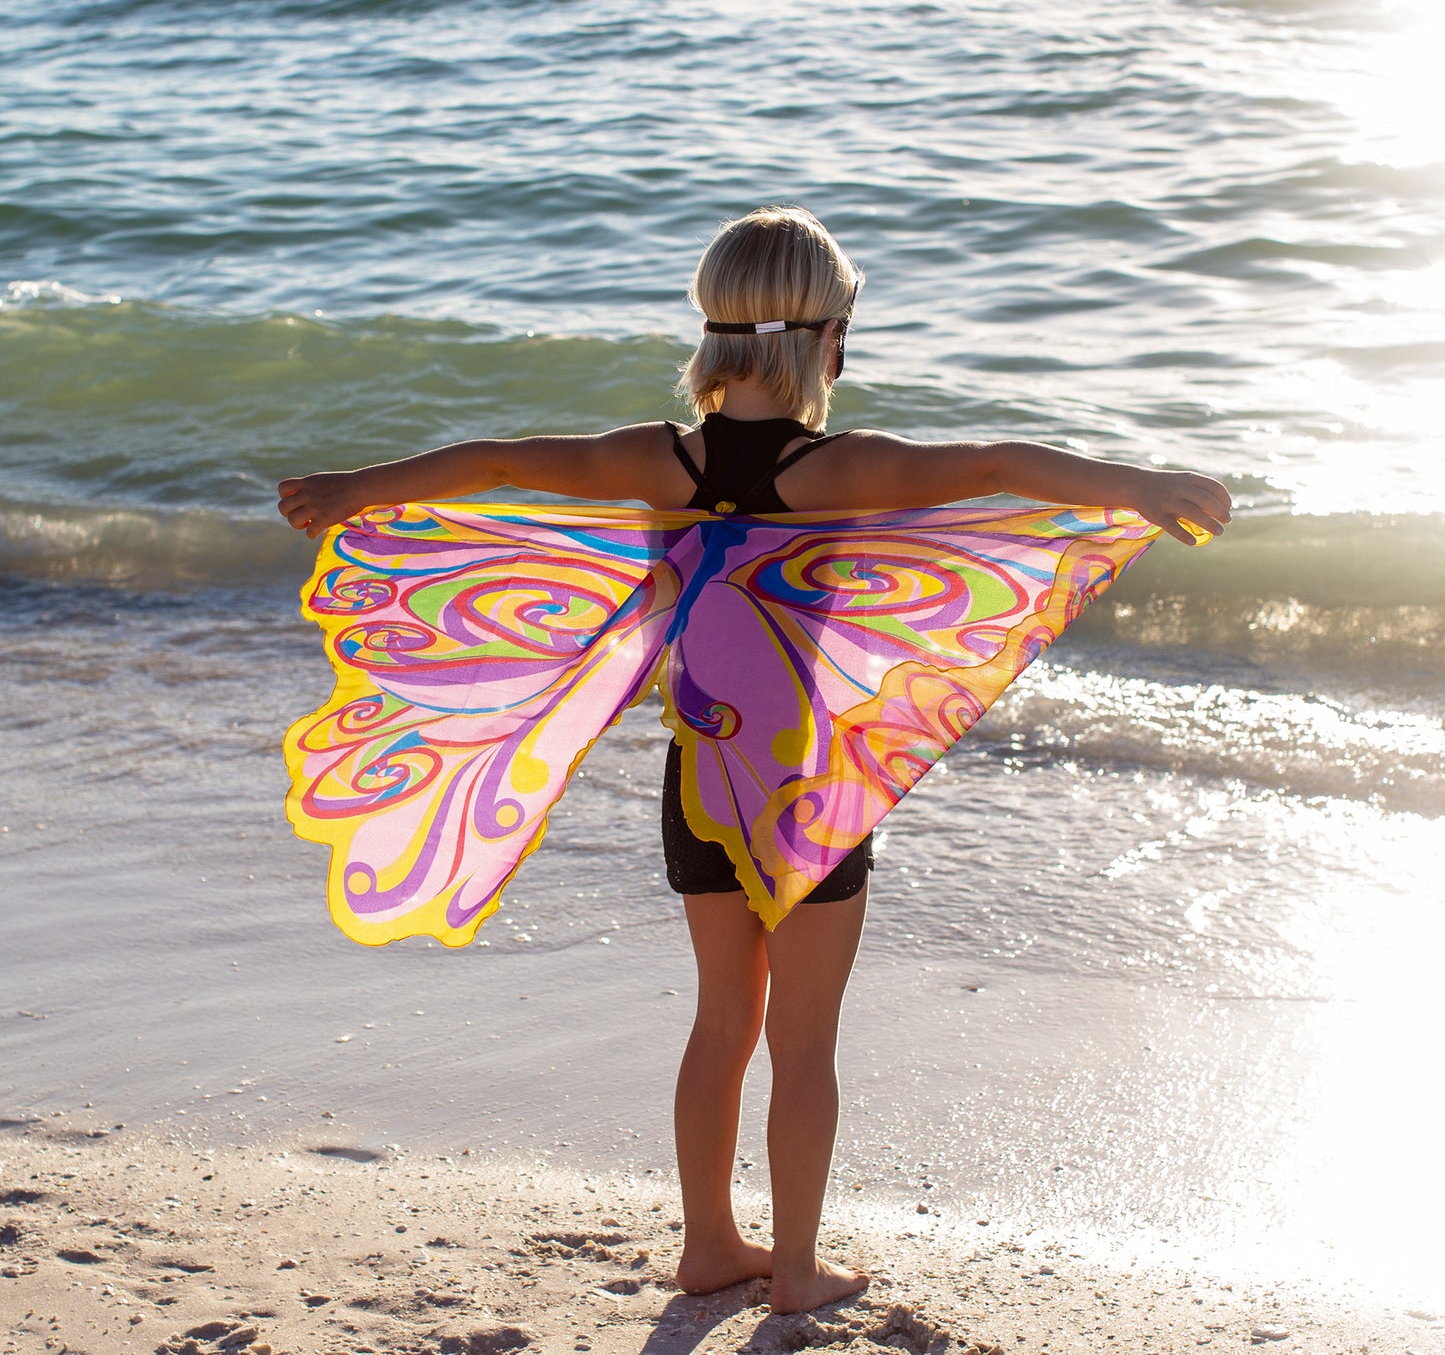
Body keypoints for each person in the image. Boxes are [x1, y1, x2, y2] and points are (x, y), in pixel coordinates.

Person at [278, 205, 1231, 1315]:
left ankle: (706, 1243)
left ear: (716, 332)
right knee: (804, 1036)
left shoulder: (652, 458)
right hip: (806, 798)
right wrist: (1135, 486)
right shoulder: (837, 471)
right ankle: (794, 1267)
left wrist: (359, 488)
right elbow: (987, 462)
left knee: (721, 1019)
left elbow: (496, 456)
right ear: (826, 338)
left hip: (696, 782)